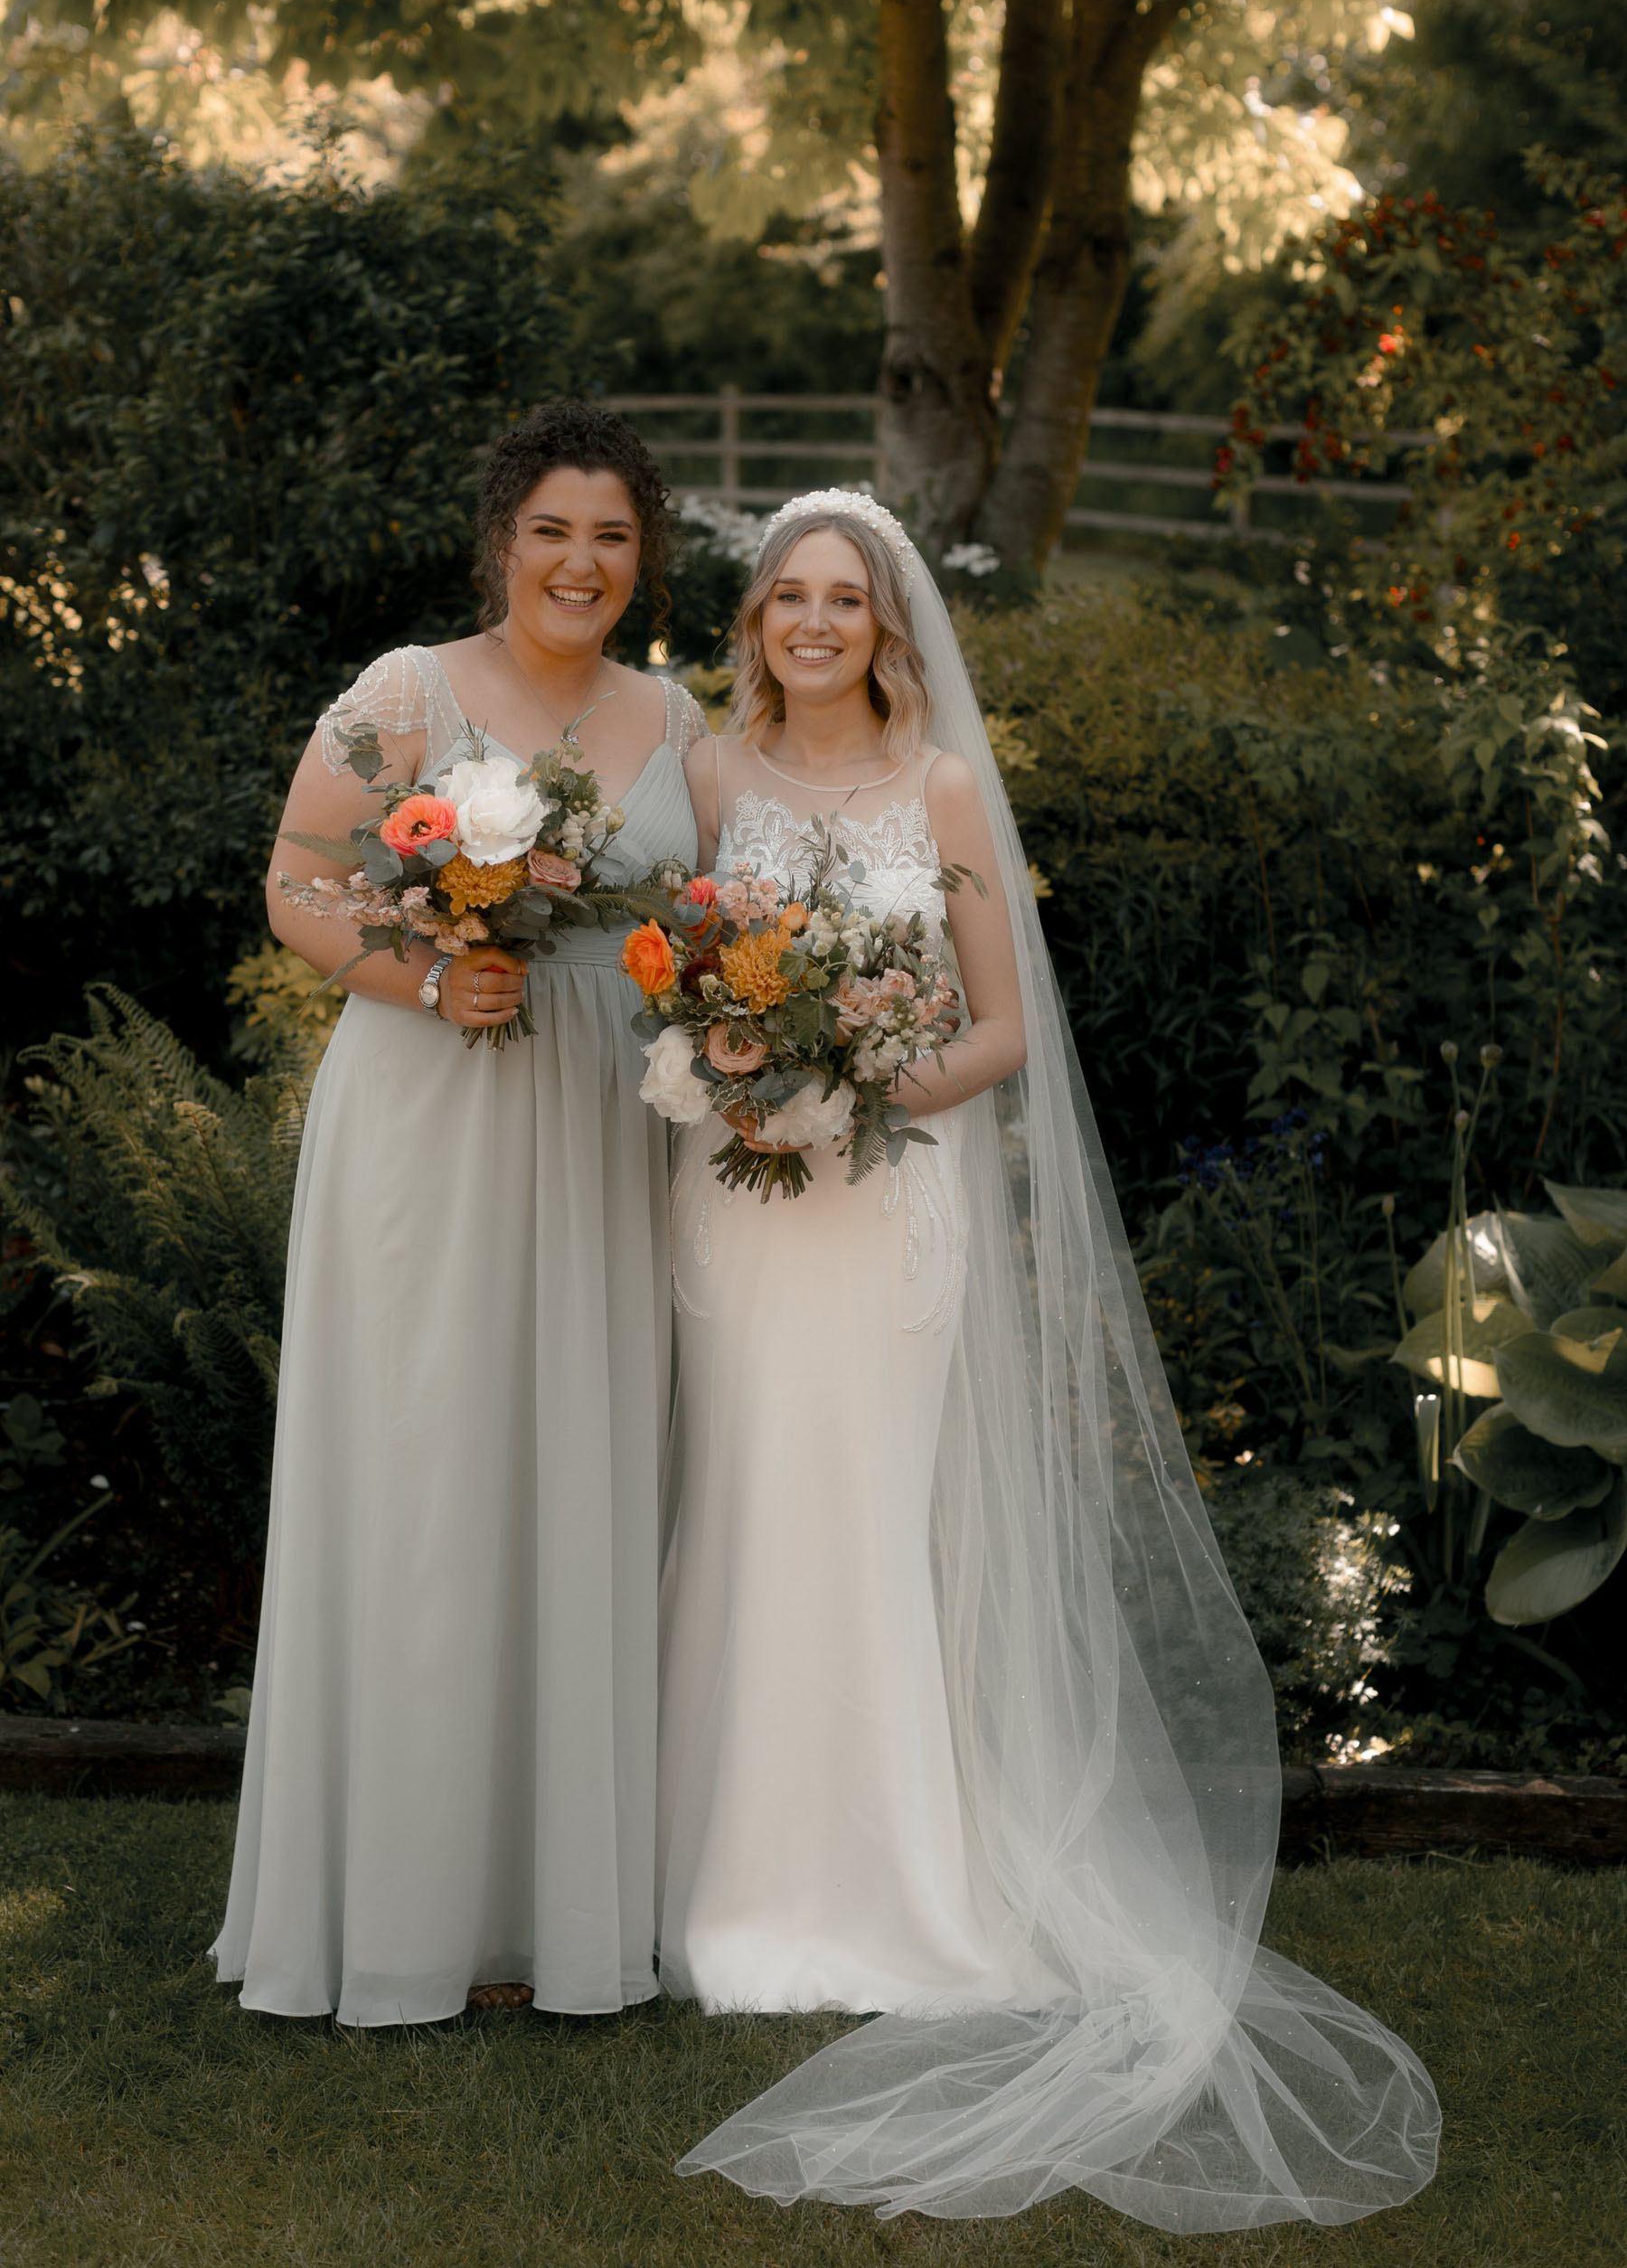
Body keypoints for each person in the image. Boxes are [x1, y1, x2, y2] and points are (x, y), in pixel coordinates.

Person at [655, 490, 1440, 2229]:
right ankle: (722, 1885)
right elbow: (684, 975)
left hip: (886, 1212)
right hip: (738, 1205)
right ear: (754, 619)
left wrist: (859, 1081)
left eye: (842, 600)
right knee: (744, 1513)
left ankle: (897, 1891)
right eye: (786, 596)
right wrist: (739, 1060)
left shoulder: (939, 790)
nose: (811, 623)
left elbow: (1002, 1029)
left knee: (869, 1525)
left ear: (888, 624)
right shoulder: (709, 780)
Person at [212, 400, 708, 2026]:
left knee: (578, 1472)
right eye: (554, 530)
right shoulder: (405, 694)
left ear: (646, 555)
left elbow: (701, 919)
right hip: (432, 1102)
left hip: (600, 1124)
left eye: (614, 535)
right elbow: (297, 880)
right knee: (427, 1482)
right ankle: (405, 1914)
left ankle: (558, 1918)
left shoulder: (678, 715)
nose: (582, 562)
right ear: (504, 539)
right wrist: (427, 971)